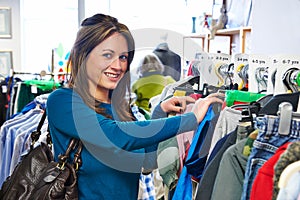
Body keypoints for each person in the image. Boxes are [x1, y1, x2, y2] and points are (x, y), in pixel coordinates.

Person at [46, 13, 224, 200]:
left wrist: (159, 112)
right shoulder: (62, 101)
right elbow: (114, 136)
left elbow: (146, 162)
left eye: (123, 57)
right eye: (107, 55)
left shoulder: (120, 108)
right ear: (84, 55)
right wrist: (190, 119)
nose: (117, 65)